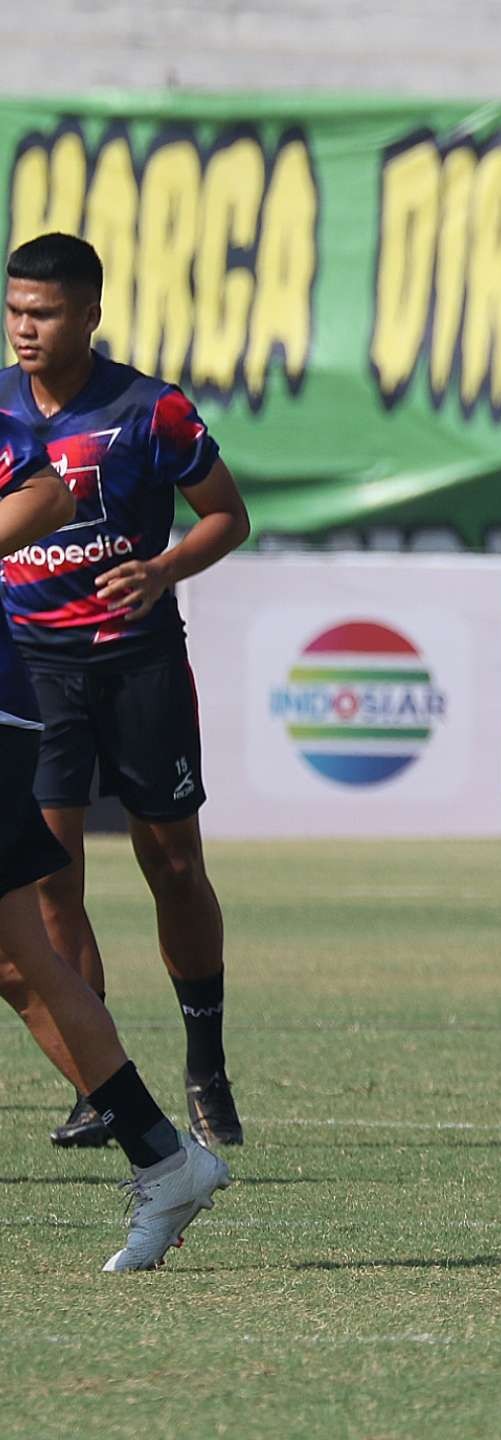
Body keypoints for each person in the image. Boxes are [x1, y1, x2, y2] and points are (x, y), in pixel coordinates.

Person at [1, 233, 252, 1150]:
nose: (27, 328)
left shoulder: (152, 409)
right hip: (32, 671)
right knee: (51, 883)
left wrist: (163, 570)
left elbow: (229, 514)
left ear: (90, 315)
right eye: (16, 309)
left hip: (138, 663)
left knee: (172, 866)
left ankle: (206, 1061)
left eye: (47, 311)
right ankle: (101, 1088)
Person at [0, 410, 231, 1270]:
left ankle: (191, 1099)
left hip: (48, 690)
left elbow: (46, 494)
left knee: (167, 867)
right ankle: (164, 1159)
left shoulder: (127, 409)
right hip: (32, 693)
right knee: (20, 959)